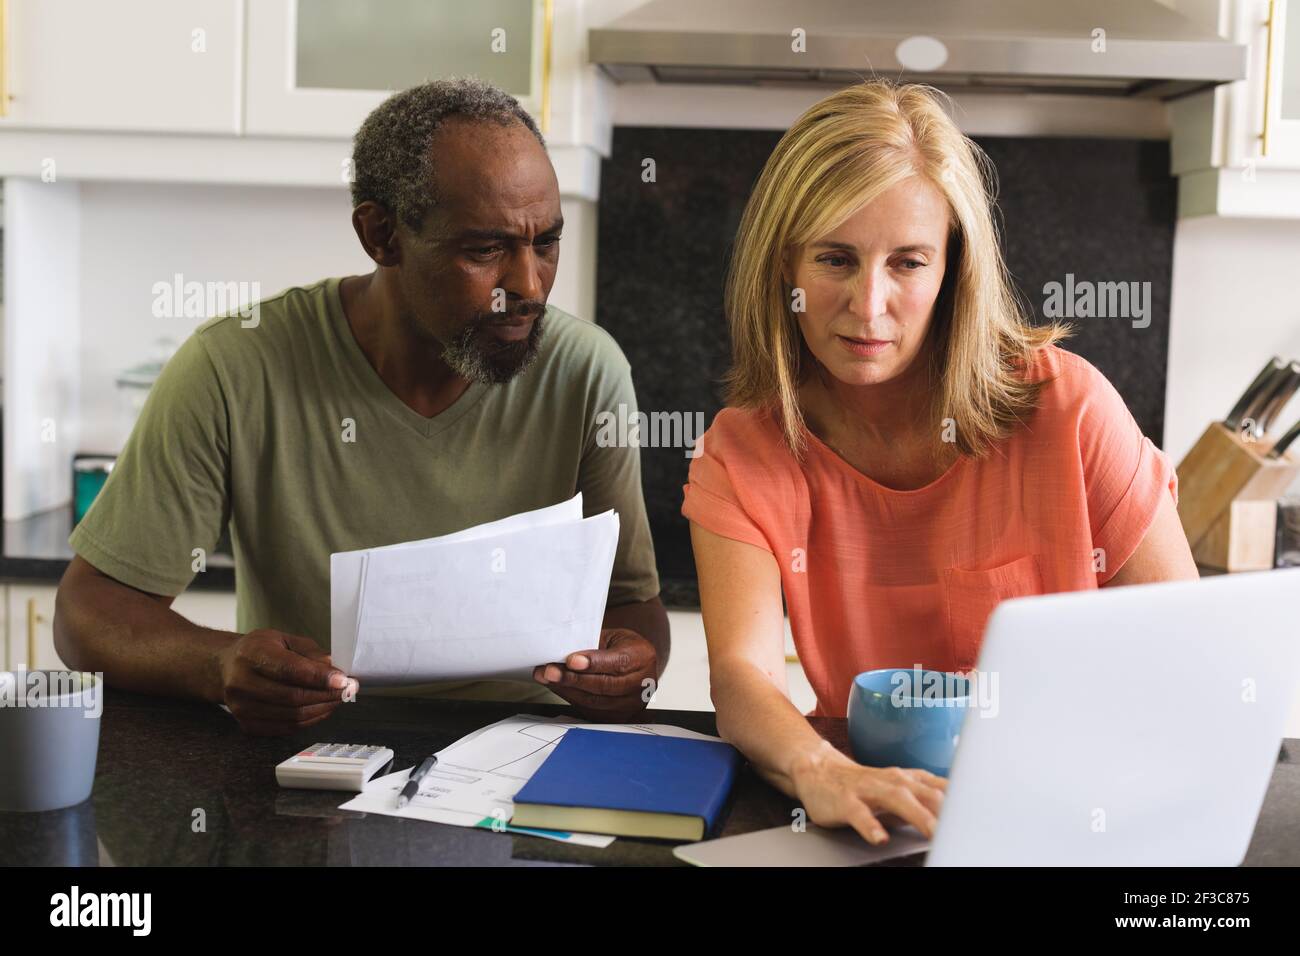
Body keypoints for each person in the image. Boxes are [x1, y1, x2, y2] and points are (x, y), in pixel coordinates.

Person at [54, 78, 669, 735]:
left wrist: (632, 669)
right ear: (382, 235)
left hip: (522, 764)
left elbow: (633, 610)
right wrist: (219, 662)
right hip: (312, 760)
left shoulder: (584, 372)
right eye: (485, 250)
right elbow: (87, 613)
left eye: (544, 243)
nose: (527, 286)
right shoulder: (234, 367)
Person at [682, 80, 1197, 846]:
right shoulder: (744, 452)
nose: (869, 303)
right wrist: (822, 770)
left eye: (908, 262)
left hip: (1074, 818)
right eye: (835, 258)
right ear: (782, 264)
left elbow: (1181, 653)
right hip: (881, 823)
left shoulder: (1071, 409)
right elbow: (743, 679)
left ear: (954, 269)